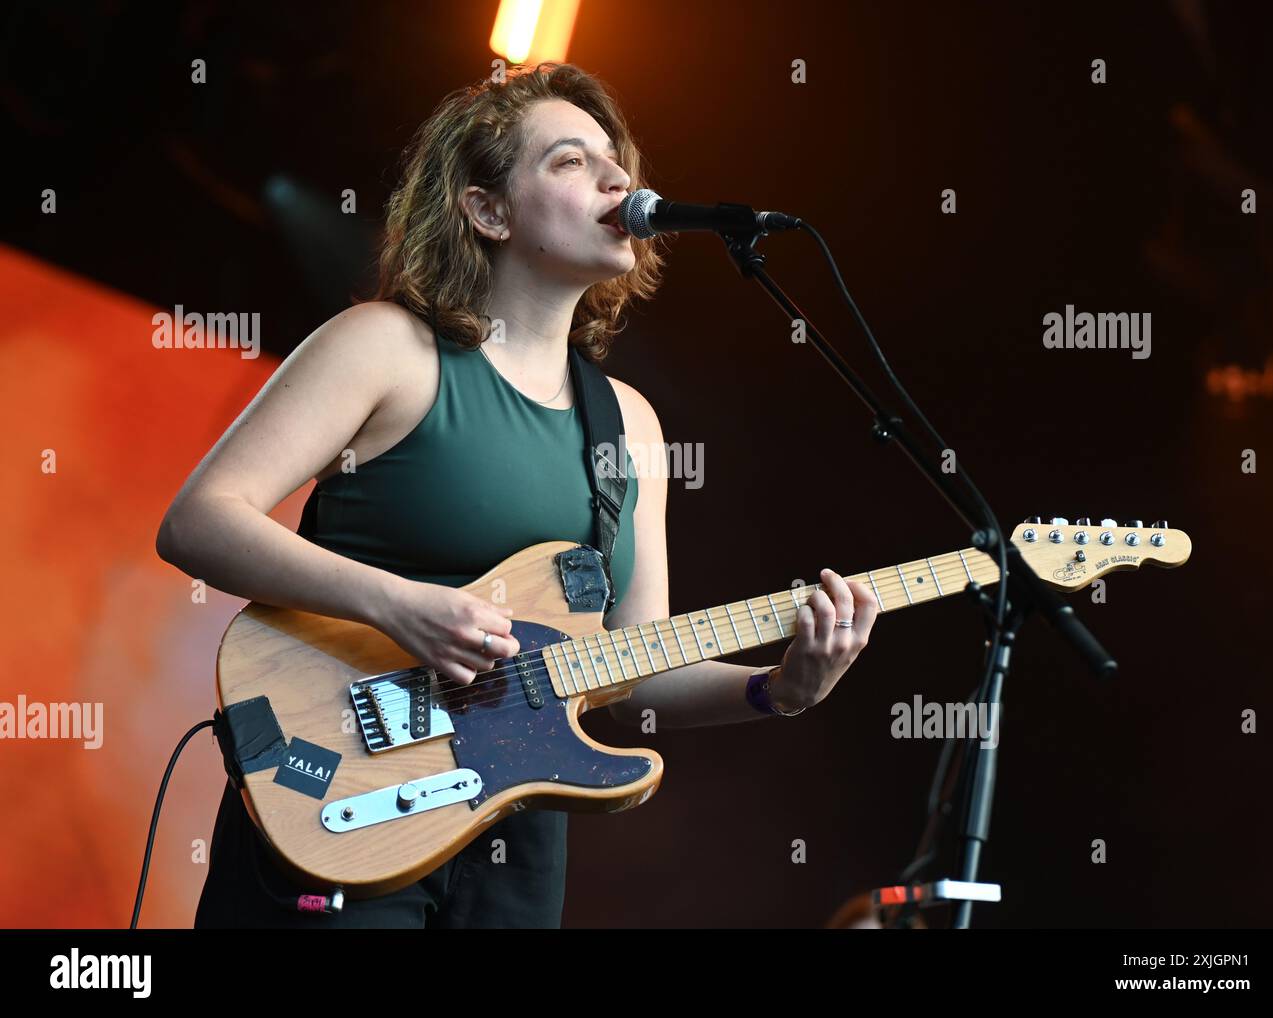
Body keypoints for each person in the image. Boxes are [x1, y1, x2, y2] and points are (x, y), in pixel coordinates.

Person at [156, 62, 879, 929]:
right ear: (487, 210)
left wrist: (778, 688)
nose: (619, 179)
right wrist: (397, 605)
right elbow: (199, 521)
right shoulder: (387, 348)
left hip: (512, 844)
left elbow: (631, 670)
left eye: (618, 161)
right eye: (571, 162)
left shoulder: (628, 425)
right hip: (338, 798)